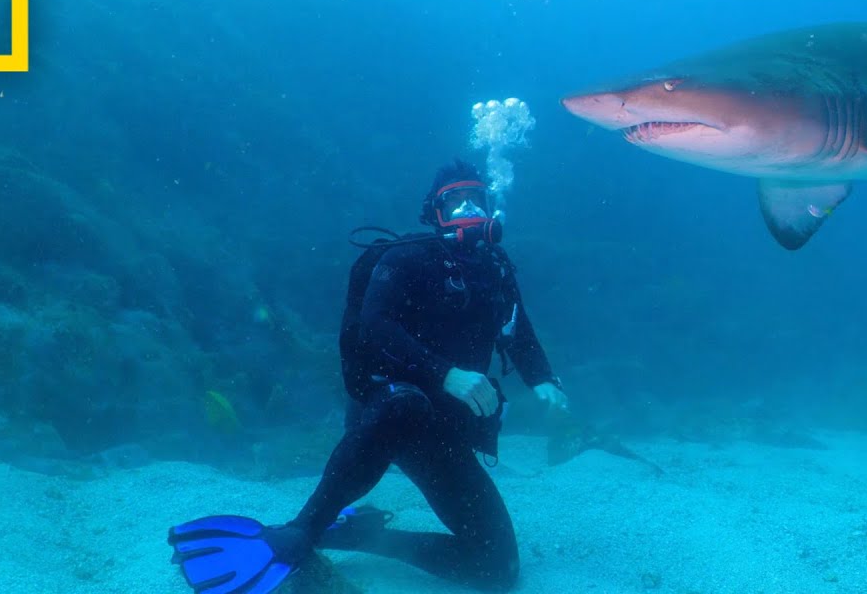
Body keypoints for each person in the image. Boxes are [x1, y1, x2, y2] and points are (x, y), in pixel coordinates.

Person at [168, 159, 569, 594]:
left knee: (497, 567)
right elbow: (374, 325)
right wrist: (445, 373)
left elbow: (518, 329)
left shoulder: (496, 269)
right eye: (454, 201)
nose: (467, 208)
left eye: (476, 198)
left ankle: (352, 535)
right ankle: (300, 530)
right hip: (384, 414)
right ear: (434, 213)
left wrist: (543, 379)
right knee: (404, 403)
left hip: (441, 432)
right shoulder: (406, 257)